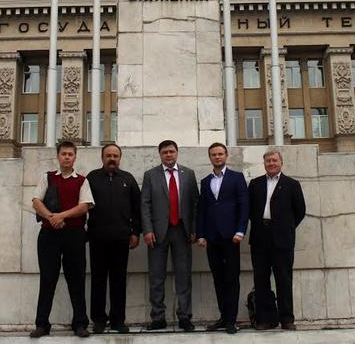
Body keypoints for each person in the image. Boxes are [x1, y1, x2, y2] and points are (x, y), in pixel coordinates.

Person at [29, 140, 94, 338]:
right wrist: (51, 217)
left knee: (77, 280)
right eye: (63, 154)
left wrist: (62, 216)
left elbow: (85, 206)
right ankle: (42, 324)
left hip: (74, 235)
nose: (67, 157)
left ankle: (80, 323)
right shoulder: (47, 178)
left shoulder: (82, 180)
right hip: (49, 236)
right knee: (47, 279)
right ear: (58, 156)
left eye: (70, 154)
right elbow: (36, 201)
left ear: (75, 157)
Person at [140, 138, 199, 331]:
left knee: (184, 276)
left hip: (182, 232)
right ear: (160, 154)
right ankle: (158, 317)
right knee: (156, 276)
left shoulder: (188, 174)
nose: (168, 155)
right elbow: (145, 205)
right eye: (165, 152)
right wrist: (147, 230)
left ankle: (185, 316)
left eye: (171, 151)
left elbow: (195, 204)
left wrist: (193, 230)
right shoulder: (150, 175)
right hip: (157, 234)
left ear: (177, 153)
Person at [247, 147, 306, 331]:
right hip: (259, 238)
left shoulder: (292, 184)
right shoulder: (255, 184)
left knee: (284, 279)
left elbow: (300, 211)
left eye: (274, 161)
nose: (271, 164)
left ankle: (287, 319)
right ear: (264, 164)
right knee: (261, 279)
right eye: (268, 161)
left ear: (281, 163)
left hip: (282, 239)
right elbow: (249, 210)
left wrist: (285, 228)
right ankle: (265, 319)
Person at [85, 143, 141, 334]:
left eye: (115, 156)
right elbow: (82, 205)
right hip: (97, 239)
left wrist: (135, 233)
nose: (112, 158)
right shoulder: (91, 178)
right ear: (102, 157)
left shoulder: (128, 179)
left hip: (121, 239)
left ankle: (118, 320)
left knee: (119, 280)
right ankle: (99, 320)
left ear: (120, 158)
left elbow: (137, 208)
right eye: (108, 155)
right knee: (98, 280)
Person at [196, 142, 249, 335]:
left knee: (231, 278)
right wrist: (200, 234)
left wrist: (240, 231)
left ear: (226, 156)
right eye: (213, 155)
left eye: (220, 154)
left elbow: (244, 206)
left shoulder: (237, 178)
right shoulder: (204, 181)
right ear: (210, 157)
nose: (217, 157)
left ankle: (231, 320)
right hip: (211, 238)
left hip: (231, 237)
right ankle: (223, 316)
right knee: (218, 278)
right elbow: (201, 210)